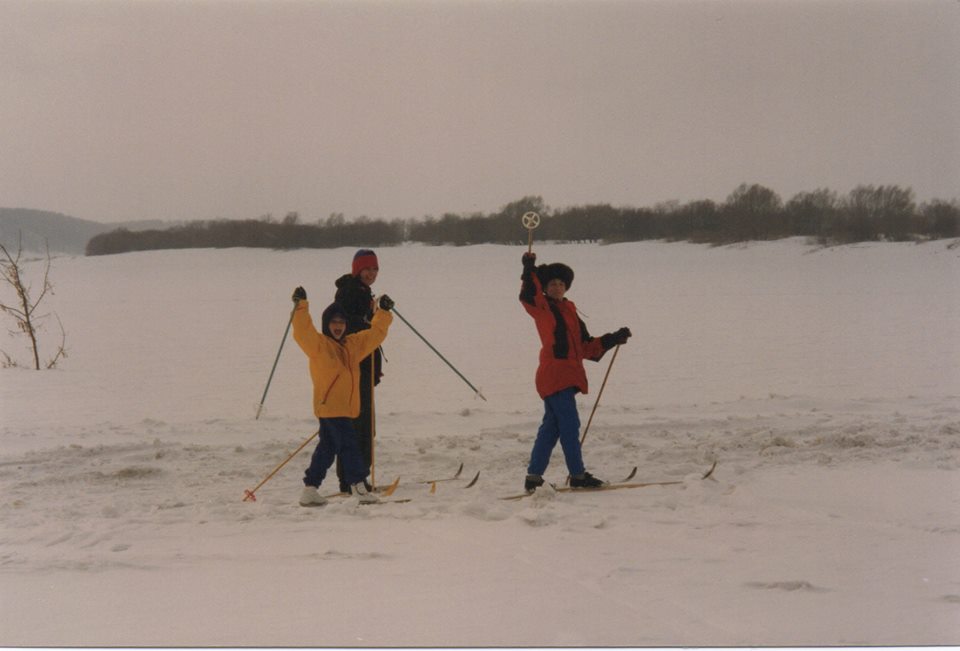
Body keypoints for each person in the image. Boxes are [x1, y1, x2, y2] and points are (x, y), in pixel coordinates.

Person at [519, 252, 632, 492]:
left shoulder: (570, 311)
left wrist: (613, 338)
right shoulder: (543, 309)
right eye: (552, 284)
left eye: (561, 284)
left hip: (567, 376)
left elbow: (585, 347)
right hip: (555, 375)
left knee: (551, 428)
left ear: (566, 287)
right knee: (569, 426)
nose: (557, 287)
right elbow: (528, 295)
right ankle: (578, 475)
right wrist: (529, 269)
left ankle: (534, 477)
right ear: (545, 288)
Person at [290, 285, 395, 506]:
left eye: (341, 322)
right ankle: (358, 485)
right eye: (333, 322)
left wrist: (383, 313)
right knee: (349, 445)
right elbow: (302, 331)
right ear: (326, 325)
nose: (338, 326)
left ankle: (310, 489)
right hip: (330, 407)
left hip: (343, 409)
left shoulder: (351, 346)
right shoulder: (319, 346)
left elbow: (374, 335)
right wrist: (301, 306)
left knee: (327, 449)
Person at [332, 249, 383, 493]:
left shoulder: (362, 291)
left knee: (365, 425)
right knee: (358, 425)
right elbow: (341, 324)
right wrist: (370, 320)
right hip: (354, 368)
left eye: (375, 269)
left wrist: (376, 313)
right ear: (357, 270)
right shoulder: (349, 292)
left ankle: (357, 477)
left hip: (364, 366)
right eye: (367, 269)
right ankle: (352, 480)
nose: (371, 273)